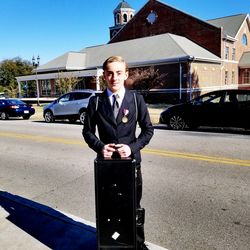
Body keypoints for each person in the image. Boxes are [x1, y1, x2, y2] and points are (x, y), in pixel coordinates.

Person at [82, 55, 154, 250]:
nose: (114, 77)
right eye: (110, 73)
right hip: (106, 167)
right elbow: (87, 131)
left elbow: (148, 130)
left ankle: (138, 244)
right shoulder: (95, 102)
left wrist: (131, 147)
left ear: (126, 75)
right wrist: (99, 146)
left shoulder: (136, 100)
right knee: (108, 207)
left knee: (133, 207)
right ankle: (109, 243)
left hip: (130, 166)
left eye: (119, 73)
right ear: (104, 76)